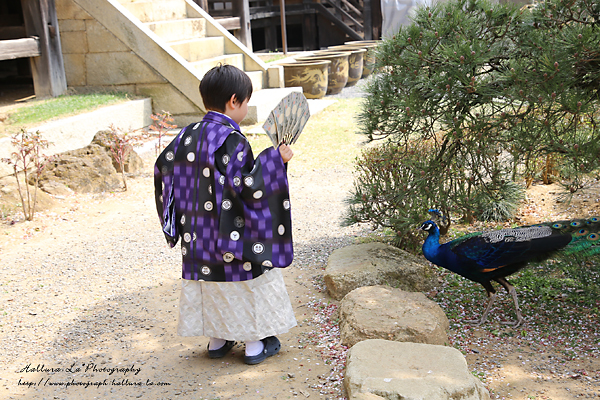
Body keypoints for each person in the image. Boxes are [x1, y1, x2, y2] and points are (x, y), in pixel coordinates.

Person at [154, 64, 297, 365]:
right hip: (230, 238)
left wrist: (177, 219)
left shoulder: (186, 135)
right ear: (234, 101)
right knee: (246, 284)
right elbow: (248, 186)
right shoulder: (232, 139)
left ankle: (217, 341)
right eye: (246, 102)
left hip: (198, 238)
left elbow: (163, 167)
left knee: (210, 286)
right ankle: (255, 345)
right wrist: (275, 160)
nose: (245, 108)